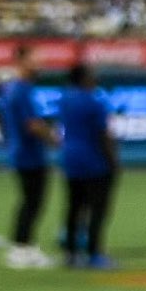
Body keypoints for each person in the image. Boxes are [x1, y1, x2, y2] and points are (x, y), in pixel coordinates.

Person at [53, 63, 119, 271]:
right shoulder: (94, 101)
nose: (95, 78)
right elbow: (103, 134)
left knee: (74, 206)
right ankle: (94, 253)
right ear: (82, 78)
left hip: (70, 158)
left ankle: (71, 253)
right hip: (93, 160)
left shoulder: (64, 99)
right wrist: (113, 160)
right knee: (97, 208)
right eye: (91, 75)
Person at [1, 55, 59, 270]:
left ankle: (25, 246)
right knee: (32, 202)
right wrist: (53, 139)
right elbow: (33, 124)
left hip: (22, 153)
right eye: (33, 61)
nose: (39, 65)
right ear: (21, 64)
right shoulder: (21, 90)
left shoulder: (15, 89)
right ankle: (21, 248)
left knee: (30, 201)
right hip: (28, 155)